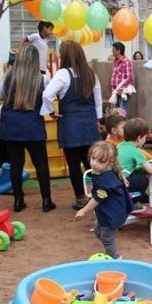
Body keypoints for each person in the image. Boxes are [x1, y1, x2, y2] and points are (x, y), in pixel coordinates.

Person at [0, 44, 54, 213]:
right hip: (33, 127)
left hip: (11, 127)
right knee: (41, 164)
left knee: (15, 165)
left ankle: (18, 201)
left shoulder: (9, 76)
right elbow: (49, 98)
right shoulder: (43, 78)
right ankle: (46, 200)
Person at [41, 41, 102, 210]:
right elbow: (97, 103)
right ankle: (100, 195)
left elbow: (46, 95)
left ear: (66, 56)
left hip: (70, 125)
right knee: (93, 163)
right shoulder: (91, 74)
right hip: (89, 124)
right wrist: (98, 121)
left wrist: (51, 112)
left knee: (74, 164)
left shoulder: (62, 74)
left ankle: (81, 198)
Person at [76, 142, 133, 259]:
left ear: (110, 162)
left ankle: (116, 258)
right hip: (106, 211)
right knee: (98, 232)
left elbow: (97, 199)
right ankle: (112, 253)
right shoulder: (106, 170)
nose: (94, 163)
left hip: (112, 213)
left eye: (100, 161)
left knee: (107, 238)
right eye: (93, 158)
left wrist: (84, 210)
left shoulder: (105, 180)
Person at [117, 117, 152, 202]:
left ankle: (141, 198)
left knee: (136, 175)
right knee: (142, 179)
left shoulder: (119, 146)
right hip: (124, 183)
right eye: (145, 138)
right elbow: (149, 168)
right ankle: (132, 202)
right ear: (139, 138)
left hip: (115, 179)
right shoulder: (136, 151)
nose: (145, 140)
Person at [110, 42, 134, 112]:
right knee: (116, 113)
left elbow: (130, 77)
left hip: (122, 91)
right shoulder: (115, 61)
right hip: (115, 91)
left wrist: (120, 88)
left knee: (122, 113)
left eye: (113, 49)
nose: (112, 51)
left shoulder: (126, 61)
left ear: (119, 50)